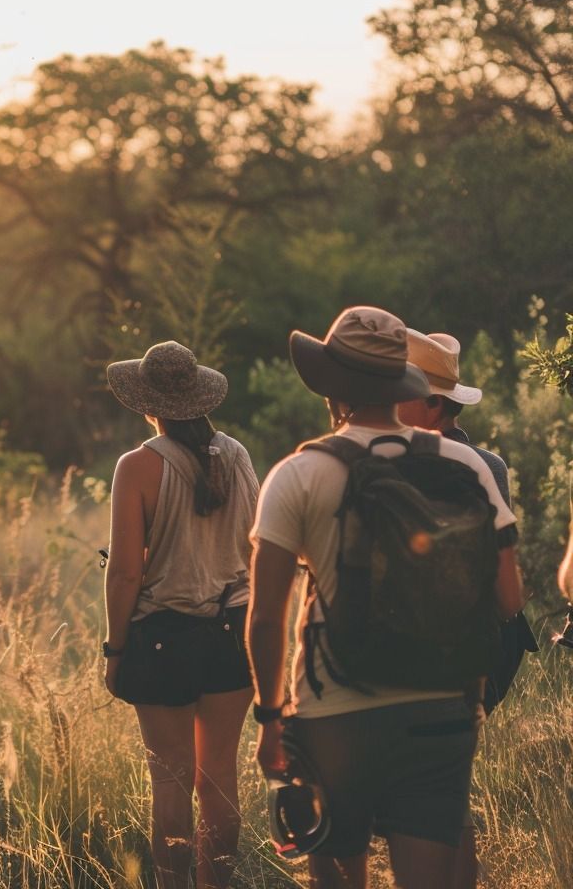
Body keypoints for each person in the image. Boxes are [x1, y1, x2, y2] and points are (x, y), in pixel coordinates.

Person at [248, 307, 524, 889]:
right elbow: (508, 598)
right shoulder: (465, 463)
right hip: (442, 710)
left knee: (340, 877)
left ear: (334, 387)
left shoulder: (298, 474)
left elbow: (267, 615)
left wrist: (271, 722)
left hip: (333, 712)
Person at [103, 341, 259, 889]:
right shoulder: (237, 456)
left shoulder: (137, 466)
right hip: (232, 630)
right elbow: (255, 547)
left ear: (149, 405)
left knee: (169, 781)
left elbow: (124, 573)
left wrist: (114, 650)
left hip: (164, 636)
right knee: (218, 776)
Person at [399, 329, 539, 889]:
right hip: (481, 643)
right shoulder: (490, 462)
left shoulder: (455, 463)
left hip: (444, 645)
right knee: (444, 782)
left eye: (402, 390)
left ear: (433, 403)